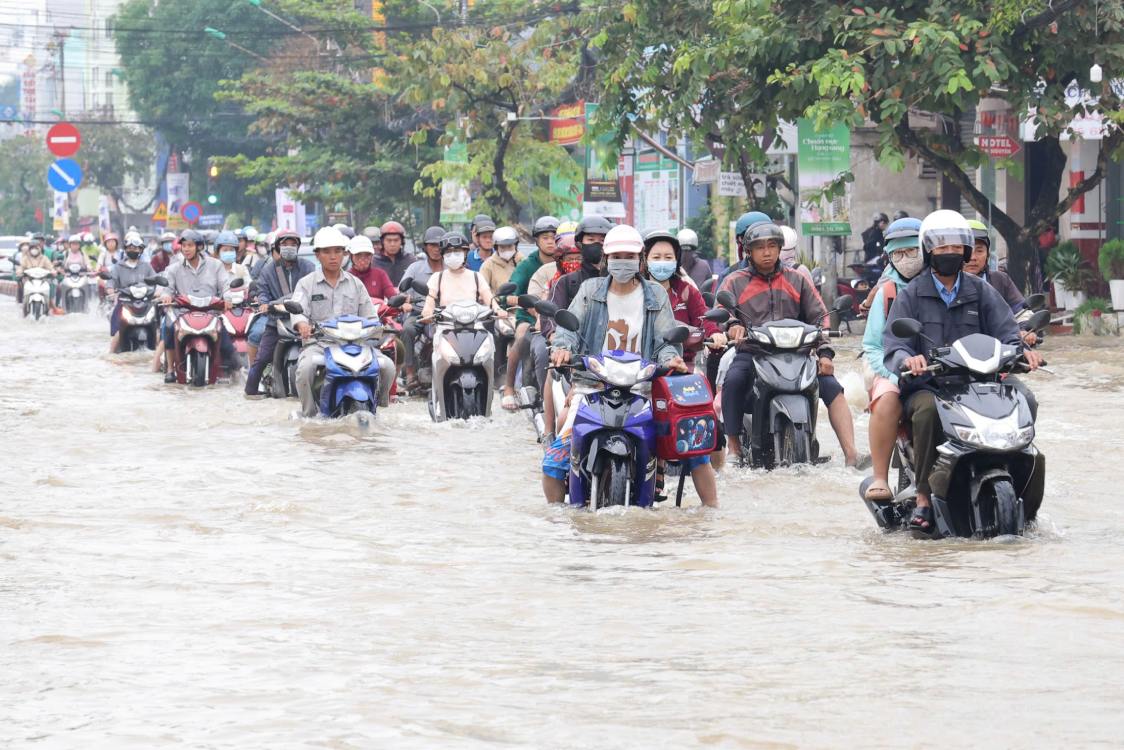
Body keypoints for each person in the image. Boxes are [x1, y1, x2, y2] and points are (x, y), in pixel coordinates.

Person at [882, 210, 1043, 533]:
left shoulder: (982, 291)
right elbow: (894, 345)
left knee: (1025, 398)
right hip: (930, 385)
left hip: (980, 381)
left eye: (956, 247)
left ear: (966, 251)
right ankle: (924, 496)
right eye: (942, 247)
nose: (949, 253)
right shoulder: (912, 294)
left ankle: (1018, 478)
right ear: (929, 251)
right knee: (927, 412)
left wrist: (1021, 351)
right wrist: (908, 360)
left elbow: (1007, 332)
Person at [546, 225, 707, 505]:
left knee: (693, 447)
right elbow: (569, 328)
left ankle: (711, 512)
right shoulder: (589, 290)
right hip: (593, 386)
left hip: (643, 388)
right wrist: (562, 349)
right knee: (553, 463)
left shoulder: (655, 294)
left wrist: (670, 359)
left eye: (629, 256)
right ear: (606, 259)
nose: (623, 262)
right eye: (617, 256)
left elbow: (666, 340)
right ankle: (559, 516)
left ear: (640, 259)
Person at [717, 221, 866, 467]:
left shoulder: (797, 279)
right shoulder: (735, 281)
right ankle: (734, 449)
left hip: (798, 353)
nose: (767, 252)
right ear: (748, 251)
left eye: (772, 246)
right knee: (733, 381)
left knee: (832, 387)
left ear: (780, 248)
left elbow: (820, 317)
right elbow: (722, 311)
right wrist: (732, 325)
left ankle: (852, 454)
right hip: (754, 351)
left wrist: (825, 353)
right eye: (760, 247)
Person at [290, 227, 396, 416]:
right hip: (320, 344)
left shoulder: (356, 284)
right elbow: (298, 311)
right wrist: (302, 324)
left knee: (387, 366)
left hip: (356, 345)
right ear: (317, 255)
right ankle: (309, 414)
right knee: (305, 369)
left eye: (338, 251)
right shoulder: (306, 283)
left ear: (345, 254)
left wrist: (379, 328)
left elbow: (371, 317)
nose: (333, 256)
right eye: (327, 251)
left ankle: (379, 404)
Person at [859, 217, 925, 502]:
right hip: (891, 365)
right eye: (898, 254)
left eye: (912, 251)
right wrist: (895, 375)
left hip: (941, 366)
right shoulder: (886, 292)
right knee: (888, 399)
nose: (905, 259)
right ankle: (880, 477)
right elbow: (873, 345)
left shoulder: (946, 284)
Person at [156, 229, 234, 383]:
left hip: (211, 313)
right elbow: (167, 288)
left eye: (190, 245)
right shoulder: (174, 268)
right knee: (168, 326)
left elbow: (225, 285)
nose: (186, 249)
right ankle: (170, 369)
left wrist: (228, 298)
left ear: (199, 247)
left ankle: (231, 371)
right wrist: (166, 296)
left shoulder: (216, 265)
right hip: (182, 313)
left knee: (227, 342)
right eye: (184, 245)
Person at [244, 230, 315, 397]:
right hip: (277, 320)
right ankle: (250, 391)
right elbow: (262, 291)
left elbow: (311, 291)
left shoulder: (309, 267)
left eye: (293, 244)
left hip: (305, 319)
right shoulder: (268, 270)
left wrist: (276, 302)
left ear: (298, 247)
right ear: (277, 247)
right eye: (284, 244)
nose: (289, 247)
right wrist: (264, 303)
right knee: (262, 358)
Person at [499, 216, 559, 410]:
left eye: (554, 237)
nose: (550, 242)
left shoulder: (567, 261)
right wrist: (515, 299)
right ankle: (509, 387)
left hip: (560, 317)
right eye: (545, 238)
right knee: (521, 335)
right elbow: (510, 291)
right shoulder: (528, 265)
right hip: (529, 315)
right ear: (537, 241)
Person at [964, 220, 1036, 339]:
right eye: (967, 251)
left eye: (979, 251)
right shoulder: (948, 284)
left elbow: (1021, 312)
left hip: (999, 346)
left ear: (988, 254)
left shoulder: (1000, 280)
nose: (973, 257)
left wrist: (1024, 330)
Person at [399, 225, 445, 390]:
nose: (436, 249)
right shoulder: (415, 268)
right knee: (407, 329)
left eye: (439, 245)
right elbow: (402, 292)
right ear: (425, 247)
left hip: (446, 315)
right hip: (418, 312)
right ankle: (410, 372)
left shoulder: (453, 268)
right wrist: (405, 302)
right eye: (432, 245)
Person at [419, 231, 501, 320]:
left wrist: (498, 309)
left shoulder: (476, 277)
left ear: (465, 253)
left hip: (475, 324)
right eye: (448, 252)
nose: (452, 255)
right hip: (445, 325)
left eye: (457, 251)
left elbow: (489, 298)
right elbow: (430, 298)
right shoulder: (437, 277)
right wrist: (427, 311)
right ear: (443, 255)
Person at [106, 232, 158, 353]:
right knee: (117, 332)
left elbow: (156, 280)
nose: (132, 250)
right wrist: (110, 290)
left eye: (135, 248)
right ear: (125, 249)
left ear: (141, 250)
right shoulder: (118, 267)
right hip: (124, 303)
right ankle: (110, 354)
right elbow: (111, 282)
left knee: (158, 331)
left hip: (145, 304)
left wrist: (159, 290)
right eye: (129, 248)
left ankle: (159, 356)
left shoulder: (146, 266)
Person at [348, 235, 397, 302]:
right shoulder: (346, 277)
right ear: (351, 255)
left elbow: (392, 296)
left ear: (372, 256)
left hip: (378, 309)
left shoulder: (380, 274)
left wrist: (401, 302)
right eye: (358, 255)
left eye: (367, 255)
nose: (363, 259)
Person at [14, 240, 58, 309]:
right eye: (32, 248)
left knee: (49, 287)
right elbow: (21, 267)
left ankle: (48, 306)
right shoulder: (26, 258)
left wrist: (53, 271)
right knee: (23, 289)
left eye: (36, 248)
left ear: (39, 249)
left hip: (42, 280)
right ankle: (24, 306)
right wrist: (19, 272)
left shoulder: (44, 258)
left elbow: (50, 266)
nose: (34, 250)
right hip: (29, 280)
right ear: (30, 249)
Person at [479, 225, 523, 292]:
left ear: (515, 245)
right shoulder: (488, 265)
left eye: (510, 246)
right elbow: (482, 289)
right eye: (502, 247)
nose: (507, 250)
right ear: (496, 247)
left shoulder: (523, 262)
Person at [373, 220, 412, 285]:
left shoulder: (410, 261)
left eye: (396, 240)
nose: (392, 244)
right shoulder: (373, 262)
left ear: (402, 242)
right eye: (389, 240)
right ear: (382, 241)